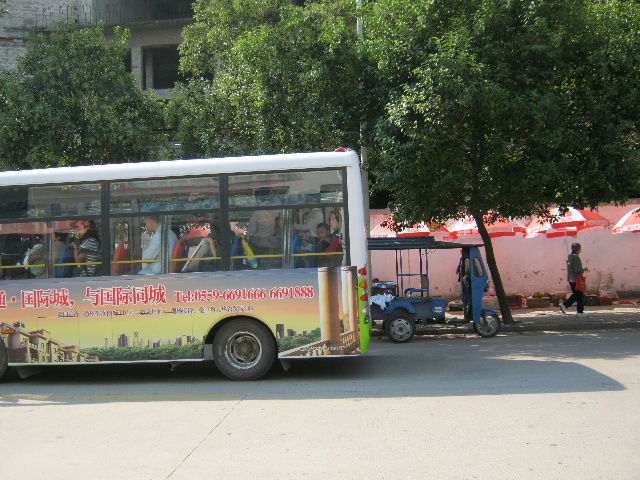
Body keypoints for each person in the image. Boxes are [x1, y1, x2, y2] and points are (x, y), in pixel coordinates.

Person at [559, 243, 589, 316]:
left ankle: (578, 311)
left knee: (577, 295)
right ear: (578, 249)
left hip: (570, 278)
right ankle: (567, 306)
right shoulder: (576, 257)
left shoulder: (569, 256)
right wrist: (583, 269)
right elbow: (577, 270)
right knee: (579, 295)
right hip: (576, 279)